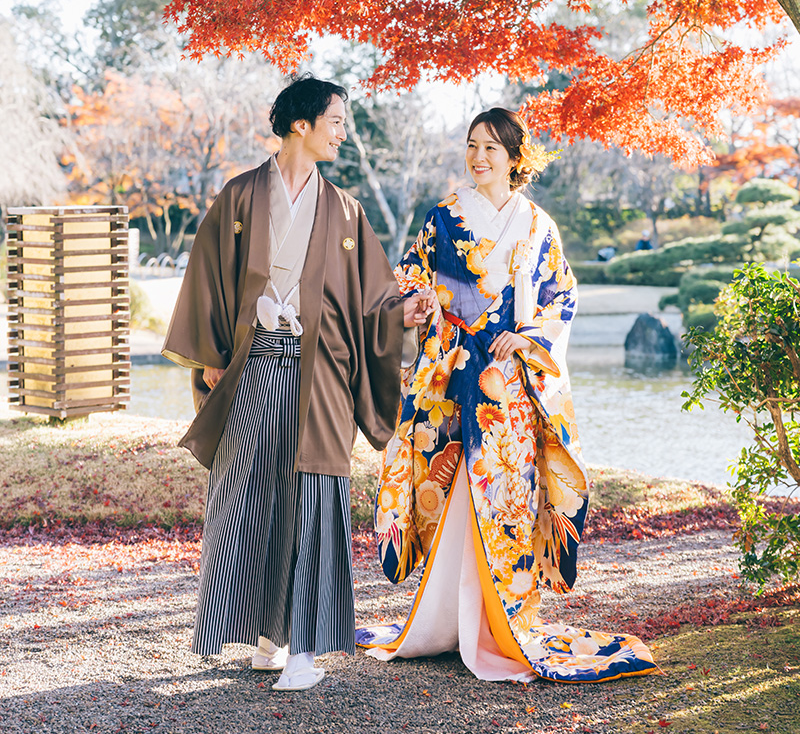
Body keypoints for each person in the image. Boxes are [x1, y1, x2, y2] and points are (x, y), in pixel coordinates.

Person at [357, 108, 656, 684]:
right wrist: (417, 307)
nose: (480, 157)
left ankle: (501, 623)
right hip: (452, 371)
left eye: (493, 148)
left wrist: (530, 336)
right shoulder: (442, 218)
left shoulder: (538, 224)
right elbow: (411, 281)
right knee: (450, 485)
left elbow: (560, 294)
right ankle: (444, 620)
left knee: (506, 495)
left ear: (515, 159)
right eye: (472, 146)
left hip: (509, 382)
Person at [162, 74, 434, 691]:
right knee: (247, 495)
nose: (343, 132)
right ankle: (266, 637)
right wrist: (211, 356)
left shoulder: (344, 209)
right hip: (254, 364)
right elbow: (207, 275)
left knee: (313, 498)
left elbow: (373, 296)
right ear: (300, 126)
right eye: (335, 121)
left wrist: (401, 313)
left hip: (322, 375)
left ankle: (305, 650)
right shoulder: (238, 197)